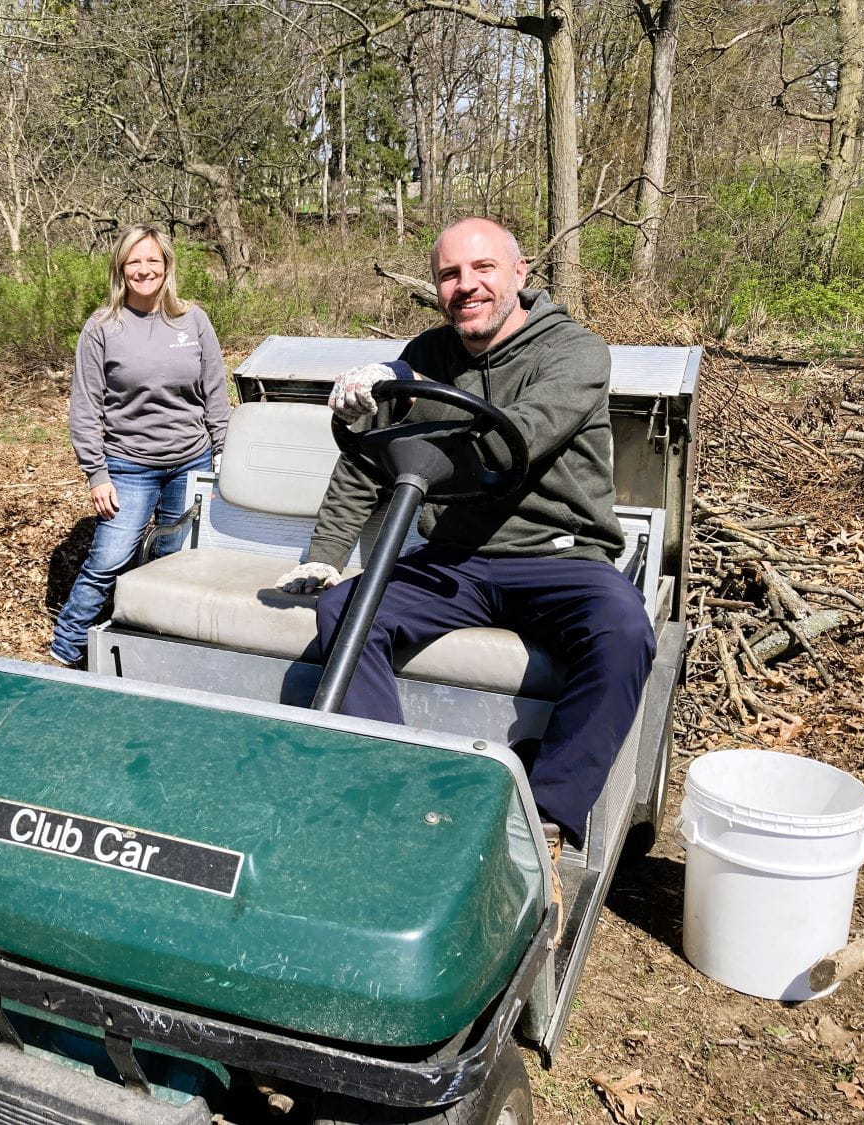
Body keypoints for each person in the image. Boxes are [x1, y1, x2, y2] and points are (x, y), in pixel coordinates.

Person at [276, 217, 655, 917]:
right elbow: (370, 463)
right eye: (450, 274)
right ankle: (396, 803)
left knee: (625, 630)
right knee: (345, 612)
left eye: (482, 269)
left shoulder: (574, 352)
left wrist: (401, 385)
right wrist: (326, 556)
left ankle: (544, 823)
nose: (466, 286)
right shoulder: (426, 352)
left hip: (559, 555)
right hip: (455, 558)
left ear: (519, 273)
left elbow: (516, 437)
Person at [50, 224, 230, 669]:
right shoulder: (102, 327)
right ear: (120, 268)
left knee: (173, 561)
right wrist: (97, 473)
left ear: (167, 265)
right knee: (110, 557)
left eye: (152, 260)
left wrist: (223, 454)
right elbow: (85, 407)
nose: (144, 269)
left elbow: (215, 392)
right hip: (128, 465)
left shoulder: (193, 319)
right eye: (134, 261)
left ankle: (151, 646)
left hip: (191, 460)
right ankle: (67, 648)